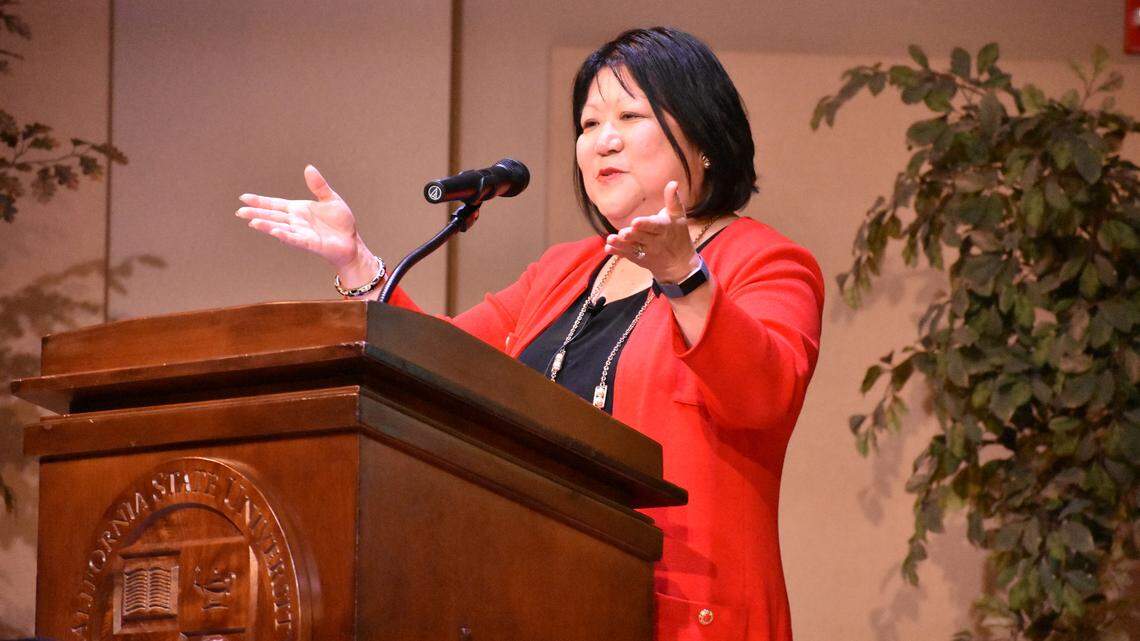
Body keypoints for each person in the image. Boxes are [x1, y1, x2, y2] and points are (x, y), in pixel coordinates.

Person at [236, 27, 823, 641]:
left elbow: (764, 395)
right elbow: (444, 364)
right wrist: (358, 263)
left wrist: (684, 277)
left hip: (682, 617)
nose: (603, 140)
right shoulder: (563, 271)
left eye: (629, 116)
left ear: (703, 139)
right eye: (589, 124)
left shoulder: (764, 261)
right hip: (538, 599)